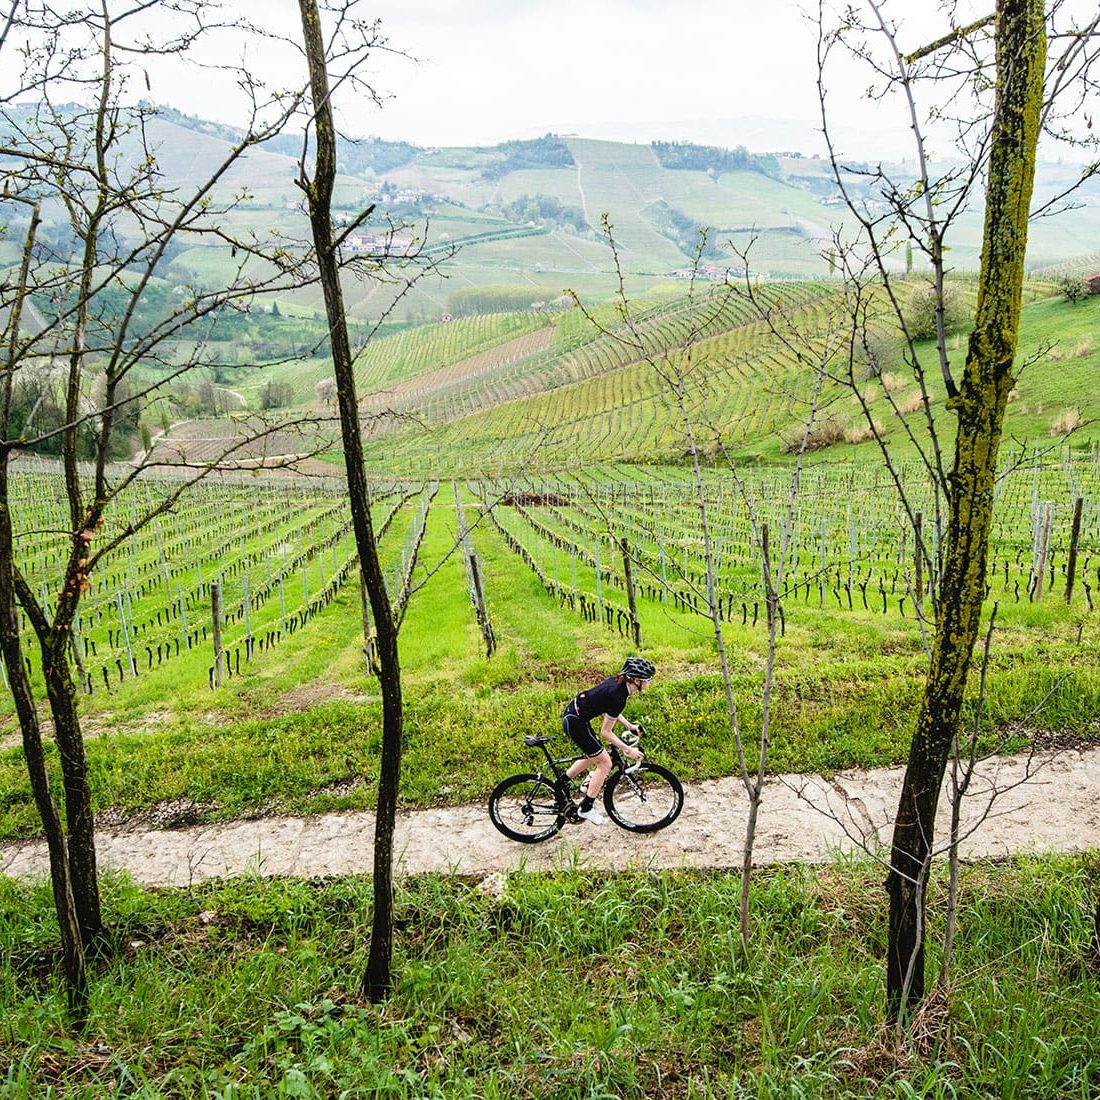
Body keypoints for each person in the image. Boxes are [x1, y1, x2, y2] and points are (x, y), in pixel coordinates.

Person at [560, 657, 653, 825]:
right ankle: (586, 808)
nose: (649, 683)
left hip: (574, 716)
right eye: (648, 680)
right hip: (576, 722)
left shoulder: (617, 683)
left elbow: (612, 710)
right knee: (605, 763)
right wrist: (627, 749)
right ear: (637, 680)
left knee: (594, 754)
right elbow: (606, 732)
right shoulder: (619, 697)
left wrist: (630, 726)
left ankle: (561, 783)